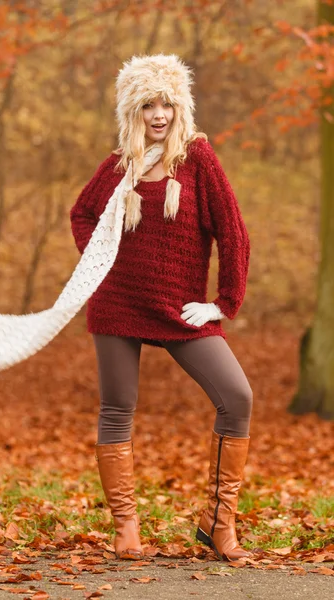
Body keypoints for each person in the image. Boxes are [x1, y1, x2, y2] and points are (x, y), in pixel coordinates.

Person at [69, 54, 252, 562]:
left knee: (237, 397)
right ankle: (125, 526)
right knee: (117, 407)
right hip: (117, 305)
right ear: (132, 110)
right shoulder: (118, 166)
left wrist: (221, 304)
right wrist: (100, 259)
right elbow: (82, 214)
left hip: (180, 309)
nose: (158, 114)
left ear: (180, 106)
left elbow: (234, 234)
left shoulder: (197, 159)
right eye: (148, 104)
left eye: (167, 103)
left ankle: (217, 522)